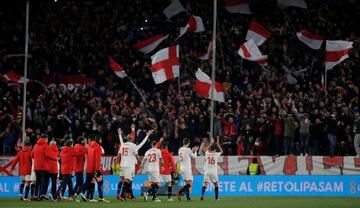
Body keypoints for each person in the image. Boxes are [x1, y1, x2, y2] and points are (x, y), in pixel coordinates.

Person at [117, 128, 153, 201]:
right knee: (128, 180)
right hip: (129, 165)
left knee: (123, 180)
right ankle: (122, 195)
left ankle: (127, 195)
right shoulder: (133, 146)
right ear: (132, 139)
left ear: (127, 139)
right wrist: (141, 163)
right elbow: (141, 145)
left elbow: (119, 156)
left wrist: (119, 135)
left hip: (122, 165)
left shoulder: (123, 145)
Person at [75, 135, 102, 202]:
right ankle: (78, 193)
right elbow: (97, 159)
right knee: (89, 182)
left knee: (89, 182)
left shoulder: (89, 146)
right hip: (94, 167)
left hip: (88, 167)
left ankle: (89, 197)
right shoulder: (98, 147)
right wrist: (98, 170)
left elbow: (86, 154)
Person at [31, 135, 55, 200]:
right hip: (44, 166)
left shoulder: (35, 145)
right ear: (45, 139)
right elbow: (48, 155)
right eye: (47, 139)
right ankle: (42, 194)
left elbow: (32, 155)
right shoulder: (45, 146)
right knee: (46, 180)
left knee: (38, 181)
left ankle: (36, 195)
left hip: (36, 166)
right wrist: (55, 158)